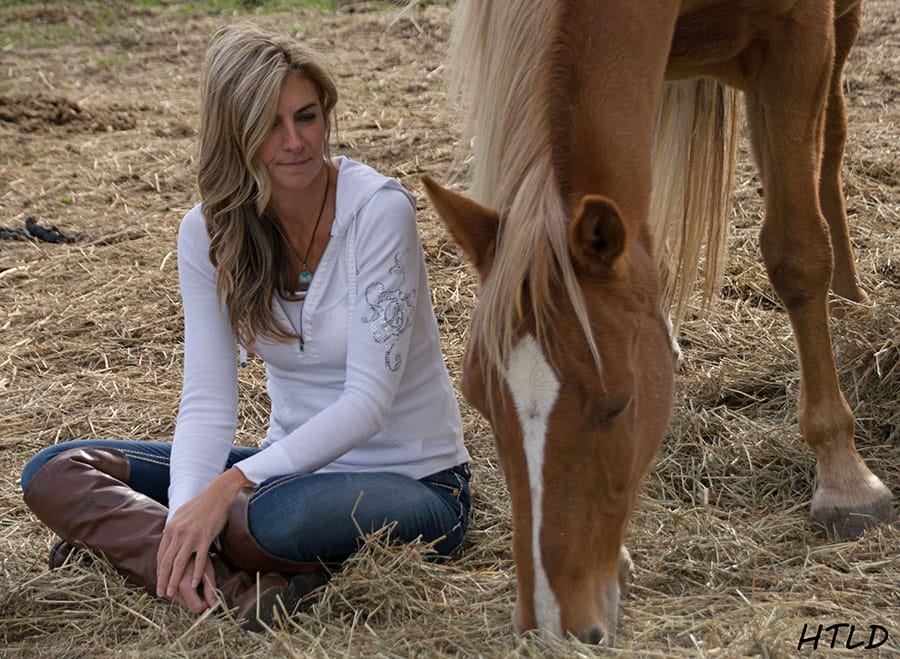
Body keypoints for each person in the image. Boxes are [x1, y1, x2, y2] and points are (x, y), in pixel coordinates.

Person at [20, 21, 471, 630]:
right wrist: (185, 512)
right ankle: (236, 585)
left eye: (307, 117)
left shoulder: (378, 211)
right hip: (285, 475)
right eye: (270, 125)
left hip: (415, 485)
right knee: (56, 470)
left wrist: (229, 485)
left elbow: (368, 403)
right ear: (235, 136)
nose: (295, 141)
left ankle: (139, 550)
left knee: (252, 517)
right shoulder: (207, 232)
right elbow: (208, 399)